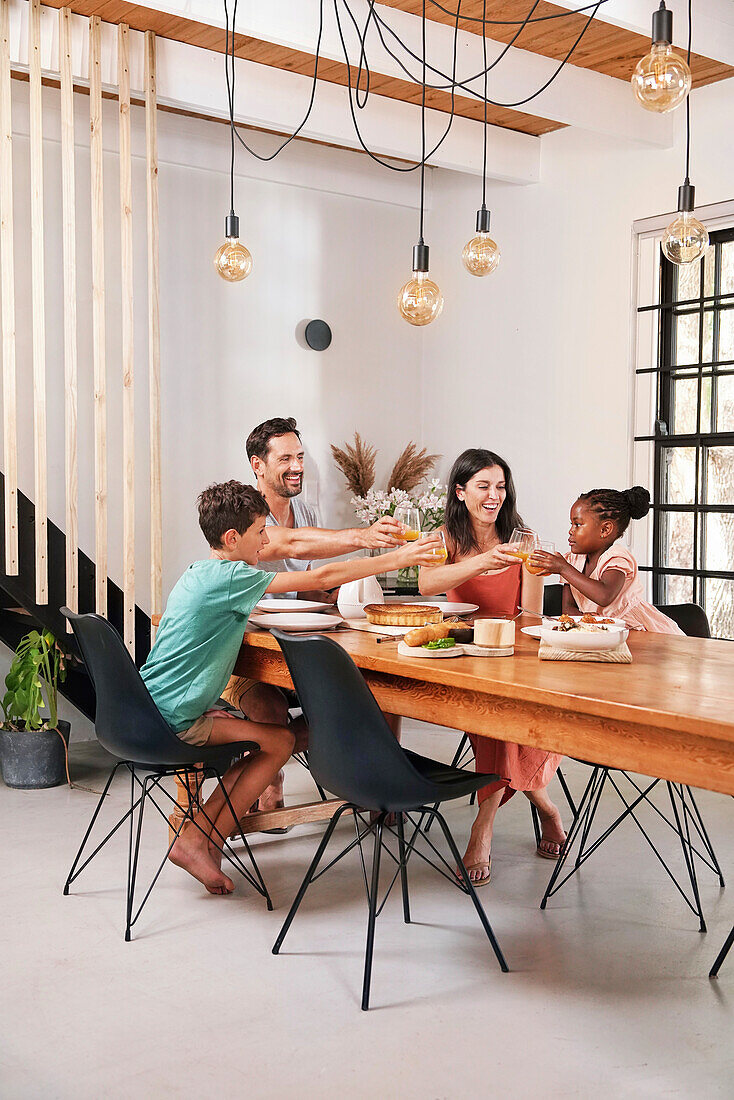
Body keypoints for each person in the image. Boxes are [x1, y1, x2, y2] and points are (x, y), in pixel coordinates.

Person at [140, 481, 440, 895]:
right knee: (279, 742)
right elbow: (324, 574)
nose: (267, 540)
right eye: (261, 531)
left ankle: (202, 837)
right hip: (176, 718)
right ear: (232, 539)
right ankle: (195, 839)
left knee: (274, 738)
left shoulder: (201, 572)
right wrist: (395, 557)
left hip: (153, 707)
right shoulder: (233, 577)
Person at [225, 416, 404, 816]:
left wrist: (341, 591)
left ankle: (379, 785)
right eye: (285, 457)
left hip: (299, 643)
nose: (297, 466)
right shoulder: (242, 518)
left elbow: (310, 579)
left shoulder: (304, 510)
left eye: (301, 457)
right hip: (248, 654)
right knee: (270, 712)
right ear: (258, 465)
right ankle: (269, 776)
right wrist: (362, 537)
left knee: (378, 693)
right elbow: (294, 547)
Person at [418, 448, 566, 886]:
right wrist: (482, 561)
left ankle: (484, 824)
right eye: (483, 486)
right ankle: (547, 807)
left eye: (500, 486)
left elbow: (535, 615)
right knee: (501, 723)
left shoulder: (525, 541)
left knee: (501, 721)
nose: (493, 495)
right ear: (460, 491)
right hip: (463, 655)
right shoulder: (443, 539)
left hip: (514, 653)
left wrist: (516, 649)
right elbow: (427, 583)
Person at [530, 485, 684, 633]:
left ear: (605, 529)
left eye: (578, 524)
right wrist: (592, 623)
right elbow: (568, 609)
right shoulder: (573, 561)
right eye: (571, 524)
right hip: (603, 634)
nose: (570, 531)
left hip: (641, 632)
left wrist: (563, 569)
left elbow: (604, 596)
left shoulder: (617, 557)